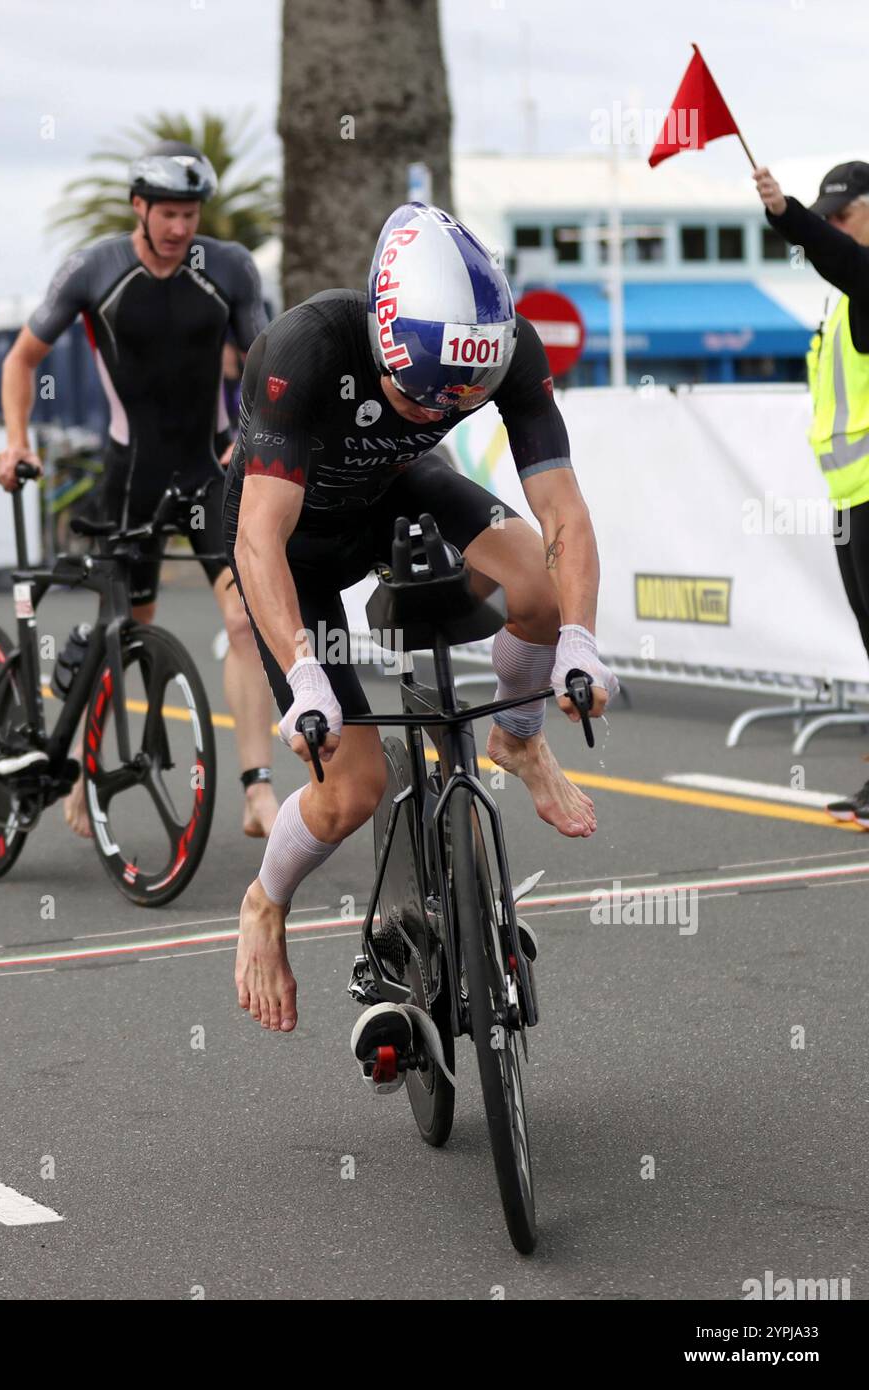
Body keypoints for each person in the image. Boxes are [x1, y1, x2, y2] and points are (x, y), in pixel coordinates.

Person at [224, 202, 618, 1043]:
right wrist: (302, 679)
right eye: (416, 393)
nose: (430, 409)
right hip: (293, 542)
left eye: (454, 402)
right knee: (353, 790)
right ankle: (267, 901)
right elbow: (259, 537)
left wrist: (579, 642)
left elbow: (564, 515)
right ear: (384, 334)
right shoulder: (306, 348)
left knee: (542, 598)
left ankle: (516, 737)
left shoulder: (504, 344)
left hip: (398, 495)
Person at [0, 141, 280, 840]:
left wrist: (255, 432)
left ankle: (257, 789)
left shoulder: (230, 270)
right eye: (169, 214)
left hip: (211, 468)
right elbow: (22, 359)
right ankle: (90, 769)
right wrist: (16, 441)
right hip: (133, 477)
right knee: (130, 630)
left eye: (191, 213)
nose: (181, 228)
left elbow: (269, 364)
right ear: (139, 208)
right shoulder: (96, 269)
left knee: (243, 621)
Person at [755, 161, 869, 828]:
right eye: (824, 216)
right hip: (851, 496)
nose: (831, 228)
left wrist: (787, 215)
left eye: (843, 213)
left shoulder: (860, 278)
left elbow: (842, 258)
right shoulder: (840, 297)